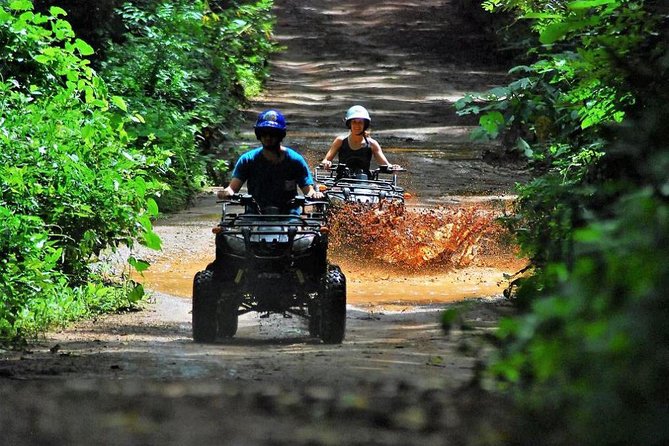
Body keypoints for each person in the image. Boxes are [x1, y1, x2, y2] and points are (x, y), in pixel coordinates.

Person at [217, 109, 323, 213]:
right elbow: (233, 188)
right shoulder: (247, 159)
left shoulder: (295, 160)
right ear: (259, 134)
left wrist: (315, 194)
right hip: (255, 213)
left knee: (299, 229)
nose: (268, 137)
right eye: (264, 133)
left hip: (289, 214)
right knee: (239, 229)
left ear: (280, 135)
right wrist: (226, 192)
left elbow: (308, 190)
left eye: (273, 133)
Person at [320, 105, 401, 178]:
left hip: (365, 182)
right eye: (354, 122)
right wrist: (327, 163)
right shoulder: (340, 141)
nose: (357, 125)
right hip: (341, 182)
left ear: (365, 125)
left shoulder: (372, 144)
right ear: (349, 124)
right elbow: (325, 160)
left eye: (360, 122)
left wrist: (393, 167)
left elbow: (385, 164)